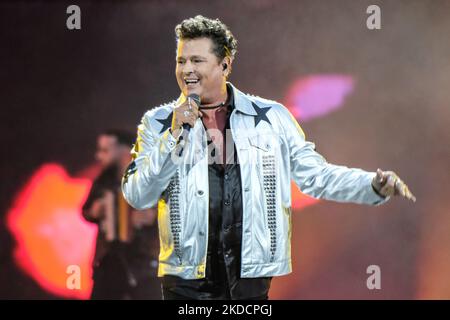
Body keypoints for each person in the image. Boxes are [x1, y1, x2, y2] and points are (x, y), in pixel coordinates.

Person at [121, 15, 415, 300]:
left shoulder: (272, 118)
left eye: (197, 60)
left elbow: (316, 176)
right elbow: (139, 196)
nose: (187, 69)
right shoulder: (158, 122)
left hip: (250, 277)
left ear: (224, 64)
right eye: (181, 60)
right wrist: (174, 138)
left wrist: (371, 186)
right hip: (185, 282)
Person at [82, 129, 160, 299]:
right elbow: (86, 211)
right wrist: (94, 211)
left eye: (105, 150)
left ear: (124, 150)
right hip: (109, 259)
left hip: (145, 261)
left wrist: (154, 216)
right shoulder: (104, 180)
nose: (99, 155)